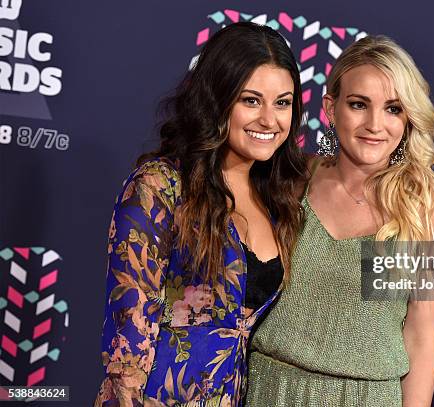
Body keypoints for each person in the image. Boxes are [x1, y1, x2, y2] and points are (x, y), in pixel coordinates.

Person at [94, 22, 306, 407]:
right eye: (251, 100)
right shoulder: (160, 187)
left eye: (283, 103)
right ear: (217, 99)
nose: (269, 120)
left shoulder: (282, 200)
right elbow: (128, 335)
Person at [246, 35, 434, 407]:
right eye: (359, 105)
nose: (375, 124)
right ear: (331, 107)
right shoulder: (291, 179)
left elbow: (423, 339)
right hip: (267, 388)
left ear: (409, 116)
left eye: (393, 109)